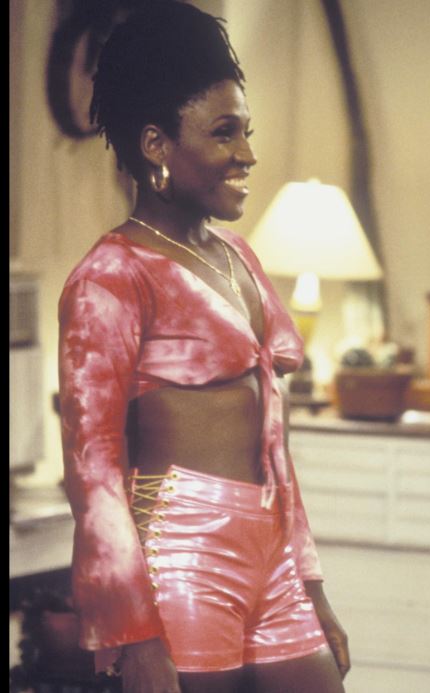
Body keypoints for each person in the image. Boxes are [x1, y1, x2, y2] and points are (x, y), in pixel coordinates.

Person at [57, 2, 350, 692]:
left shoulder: (240, 258)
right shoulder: (111, 276)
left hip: (272, 555)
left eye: (246, 131)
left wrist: (310, 584)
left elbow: (275, 446)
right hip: (180, 558)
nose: (247, 153)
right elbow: (92, 474)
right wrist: (135, 635)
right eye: (224, 133)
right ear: (156, 144)